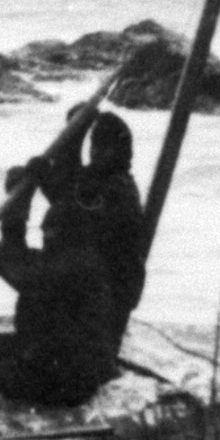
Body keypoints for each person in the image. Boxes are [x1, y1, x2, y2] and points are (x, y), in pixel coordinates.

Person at [0, 169, 120, 409]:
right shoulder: (70, 257)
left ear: (67, 235)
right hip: (55, 367)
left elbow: (27, 278)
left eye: (52, 234)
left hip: (65, 380)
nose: (46, 238)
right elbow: (20, 258)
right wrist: (18, 205)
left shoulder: (77, 267)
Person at [35, 105, 147, 345]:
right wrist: (75, 130)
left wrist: (47, 179)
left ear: (120, 151)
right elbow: (70, 180)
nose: (97, 153)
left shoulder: (119, 188)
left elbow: (72, 207)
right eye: (95, 146)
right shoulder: (97, 178)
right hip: (93, 286)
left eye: (105, 147)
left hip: (111, 291)